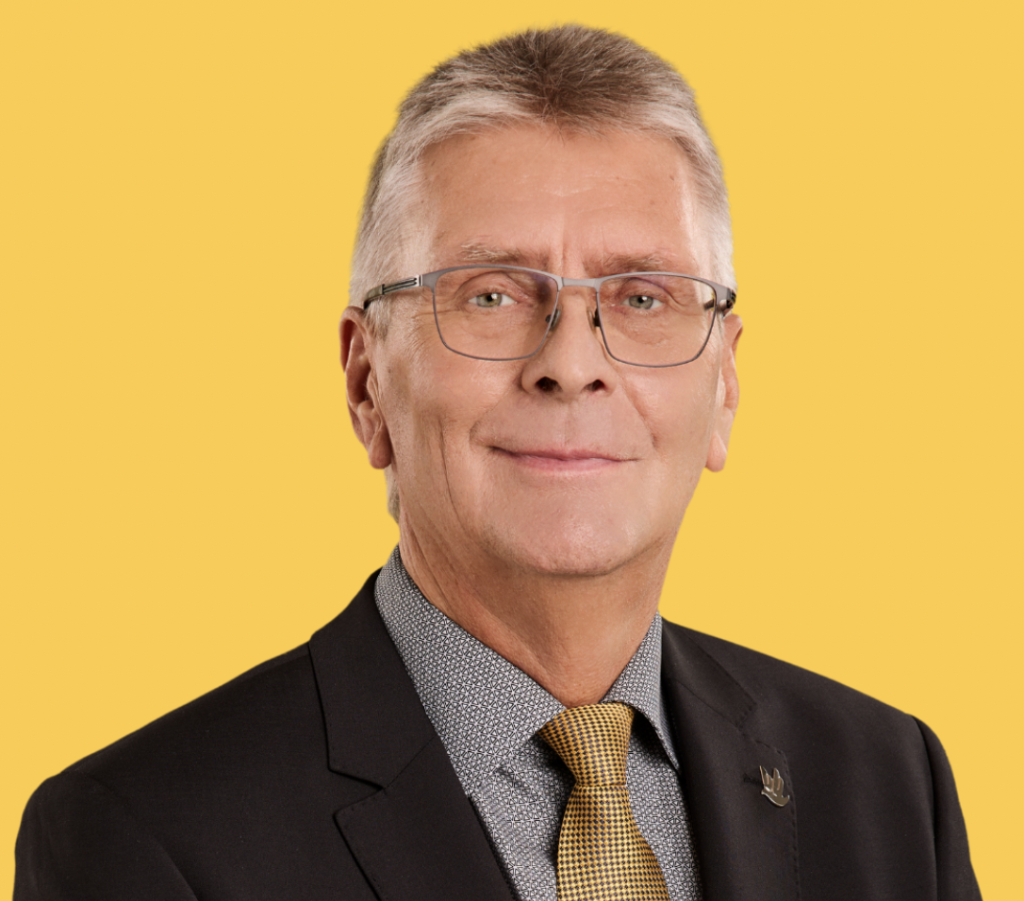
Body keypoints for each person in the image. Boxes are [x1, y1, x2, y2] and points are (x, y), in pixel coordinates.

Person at [15, 24, 980, 901]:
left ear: (723, 386)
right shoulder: (141, 839)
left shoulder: (891, 786)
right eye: (490, 295)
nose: (571, 361)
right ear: (367, 382)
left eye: (642, 297)